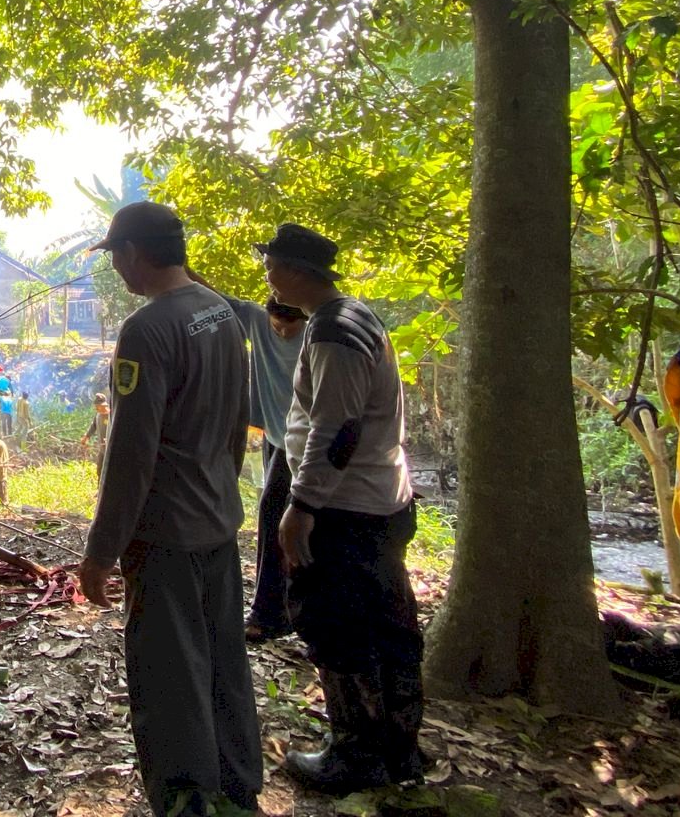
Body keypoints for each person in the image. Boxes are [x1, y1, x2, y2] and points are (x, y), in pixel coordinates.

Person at [76, 203, 262, 817]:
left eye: (116, 256)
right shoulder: (221, 311)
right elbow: (238, 420)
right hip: (217, 521)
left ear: (133, 253)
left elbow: (132, 454)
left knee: (167, 674)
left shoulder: (147, 329)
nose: (117, 269)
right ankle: (238, 783)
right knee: (223, 659)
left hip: (165, 537)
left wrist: (101, 553)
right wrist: (221, 489)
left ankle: (186, 798)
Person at [261, 223, 423, 794]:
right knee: (388, 627)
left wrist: (301, 505)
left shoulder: (333, 331)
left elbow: (337, 429)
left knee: (338, 626)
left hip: (345, 510)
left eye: (273, 266)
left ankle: (356, 755)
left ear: (296, 271)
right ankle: (398, 749)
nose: (268, 275)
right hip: (377, 501)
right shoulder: (351, 317)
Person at [187, 271, 308, 642]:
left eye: (290, 327)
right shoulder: (257, 320)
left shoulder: (316, 335)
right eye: (277, 326)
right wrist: (182, 268)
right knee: (276, 519)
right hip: (276, 435)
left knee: (276, 515)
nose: (282, 333)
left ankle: (272, 614)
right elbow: (219, 298)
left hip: (305, 441)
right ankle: (279, 611)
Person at [81, 391, 111, 466]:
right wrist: (86, 436)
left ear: (104, 405)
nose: (96, 408)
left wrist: (109, 439)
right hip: (102, 449)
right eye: (96, 406)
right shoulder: (98, 415)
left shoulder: (112, 415)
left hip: (111, 449)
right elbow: (93, 426)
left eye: (98, 406)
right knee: (99, 469)